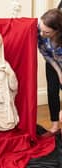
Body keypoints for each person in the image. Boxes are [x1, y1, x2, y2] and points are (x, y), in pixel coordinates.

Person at [38, 5, 62, 134]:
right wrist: (58, 72)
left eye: (46, 32)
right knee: (52, 92)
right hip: (52, 63)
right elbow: (45, 54)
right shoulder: (40, 29)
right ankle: (54, 126)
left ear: (57, 31)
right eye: (41, 30)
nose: (41, 34)